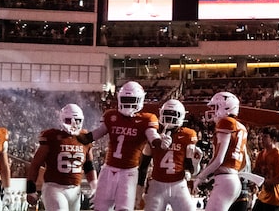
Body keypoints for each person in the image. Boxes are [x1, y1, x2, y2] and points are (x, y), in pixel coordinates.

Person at [74, 82, 159, 211]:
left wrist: (159, 141)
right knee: (100, 207)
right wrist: (75, 133)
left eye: (131, 100)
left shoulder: (146, 120)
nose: (127, 103)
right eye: (125, 99)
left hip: (128, 172)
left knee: (124, 209)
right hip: (108, 169)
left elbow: (152, 136)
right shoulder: (112, 116)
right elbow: (92, 136)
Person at [26, 104, 97, 211]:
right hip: (54, 188)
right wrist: (31, 189)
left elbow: (89, 166)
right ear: (61, 120)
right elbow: (35, 164)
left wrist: (95, 186)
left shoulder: (85, 137)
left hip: (75, 189)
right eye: (69, 120)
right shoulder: (52, 137)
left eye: (77, 120)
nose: (74, 123)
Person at [192, 92, 249, 211]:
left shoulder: (226, 122)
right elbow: (244, 162)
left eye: (215, 107)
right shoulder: (241, 127)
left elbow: (218, 159)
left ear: (226, 107)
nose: (212, 110)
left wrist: (201, 177)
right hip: (234, 179)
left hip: (225, 180)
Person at [143, 99, 199, 211]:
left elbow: (192, 169)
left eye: (173, 114)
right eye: (167, 114)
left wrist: (194, 164)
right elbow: (144, 164)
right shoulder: (154, 134)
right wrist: (140, 187)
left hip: (178, 183)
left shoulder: (187, 135)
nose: (169, 118)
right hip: (157, 183)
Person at [250, 127, 279, 211]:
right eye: (261, 137)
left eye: (265, 137)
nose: (261, 139)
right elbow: (257, 172)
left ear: (273, 139)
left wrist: (264, 181)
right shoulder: (260, 155)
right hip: (263, 196)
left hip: (275, 198)